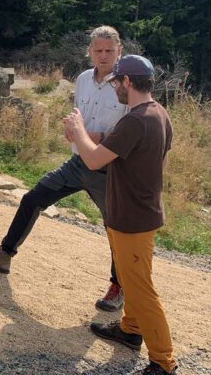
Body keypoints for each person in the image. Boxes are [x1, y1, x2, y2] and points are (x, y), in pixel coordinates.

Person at [0, 25, 129, 311]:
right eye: (98, 50)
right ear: (89, 52)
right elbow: (80, 114)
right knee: (33, 199)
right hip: (78, 163)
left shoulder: (127, 84)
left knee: (115, 229)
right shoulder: (82, 79)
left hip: (108, 170)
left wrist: (98, 137)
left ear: (119, 52)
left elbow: (132, 129)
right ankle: (3, 256)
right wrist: (71, 126)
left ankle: (119, 288)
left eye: (109, 51)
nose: (103, 56)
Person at [64, 55, 176, 375]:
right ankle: (129, 330)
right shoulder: (159, 114)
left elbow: (95, 160)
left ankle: (163, 362)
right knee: (129, 278)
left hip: (133, 219)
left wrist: (78, 128)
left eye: (116, 82)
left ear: (127, 82)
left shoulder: (136, 120)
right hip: (133, 213)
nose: (114, 88)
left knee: (141, 289)